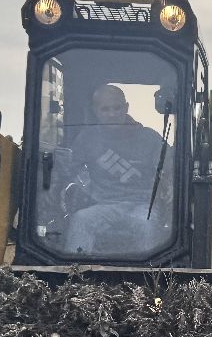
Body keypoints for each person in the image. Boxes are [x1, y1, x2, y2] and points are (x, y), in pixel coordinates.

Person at [65, 84, 171, 256]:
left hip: (142, 206)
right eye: (105, 109)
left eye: (117, 107)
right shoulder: (87, 138)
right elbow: (67, 169)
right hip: (103, 206)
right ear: (95, 111)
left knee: (148, 225)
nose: (112, 113)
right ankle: (73, 277)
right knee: (80, 220)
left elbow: (171, 166)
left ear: (126, 107)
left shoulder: (149, 138)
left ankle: (150, 277)